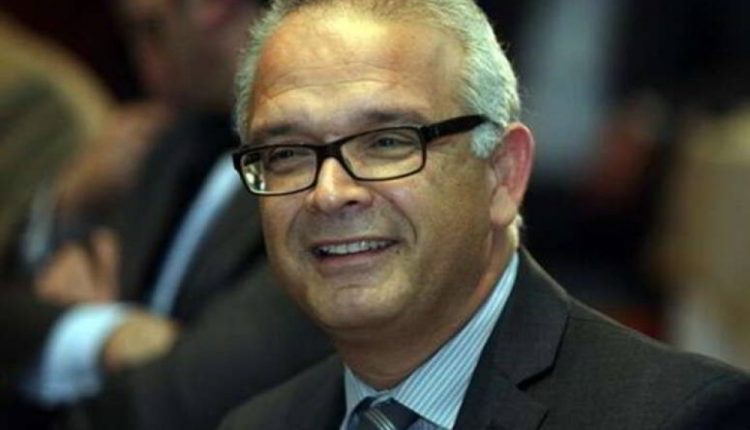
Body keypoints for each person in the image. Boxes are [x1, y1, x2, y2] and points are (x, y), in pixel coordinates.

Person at [218, 1, 750, 429]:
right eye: (286, 154)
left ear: (503, 174)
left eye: (387, 142)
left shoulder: (678, 416)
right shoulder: (257, 423)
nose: (330, 193)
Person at [0, 0, 331, 429]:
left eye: (151, 30)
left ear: (215, 9)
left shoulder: (322, 178)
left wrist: (87, 340)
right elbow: (20, 308)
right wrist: (102, 335)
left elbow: (190, 393)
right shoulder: (164, 142)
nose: (146, 70)